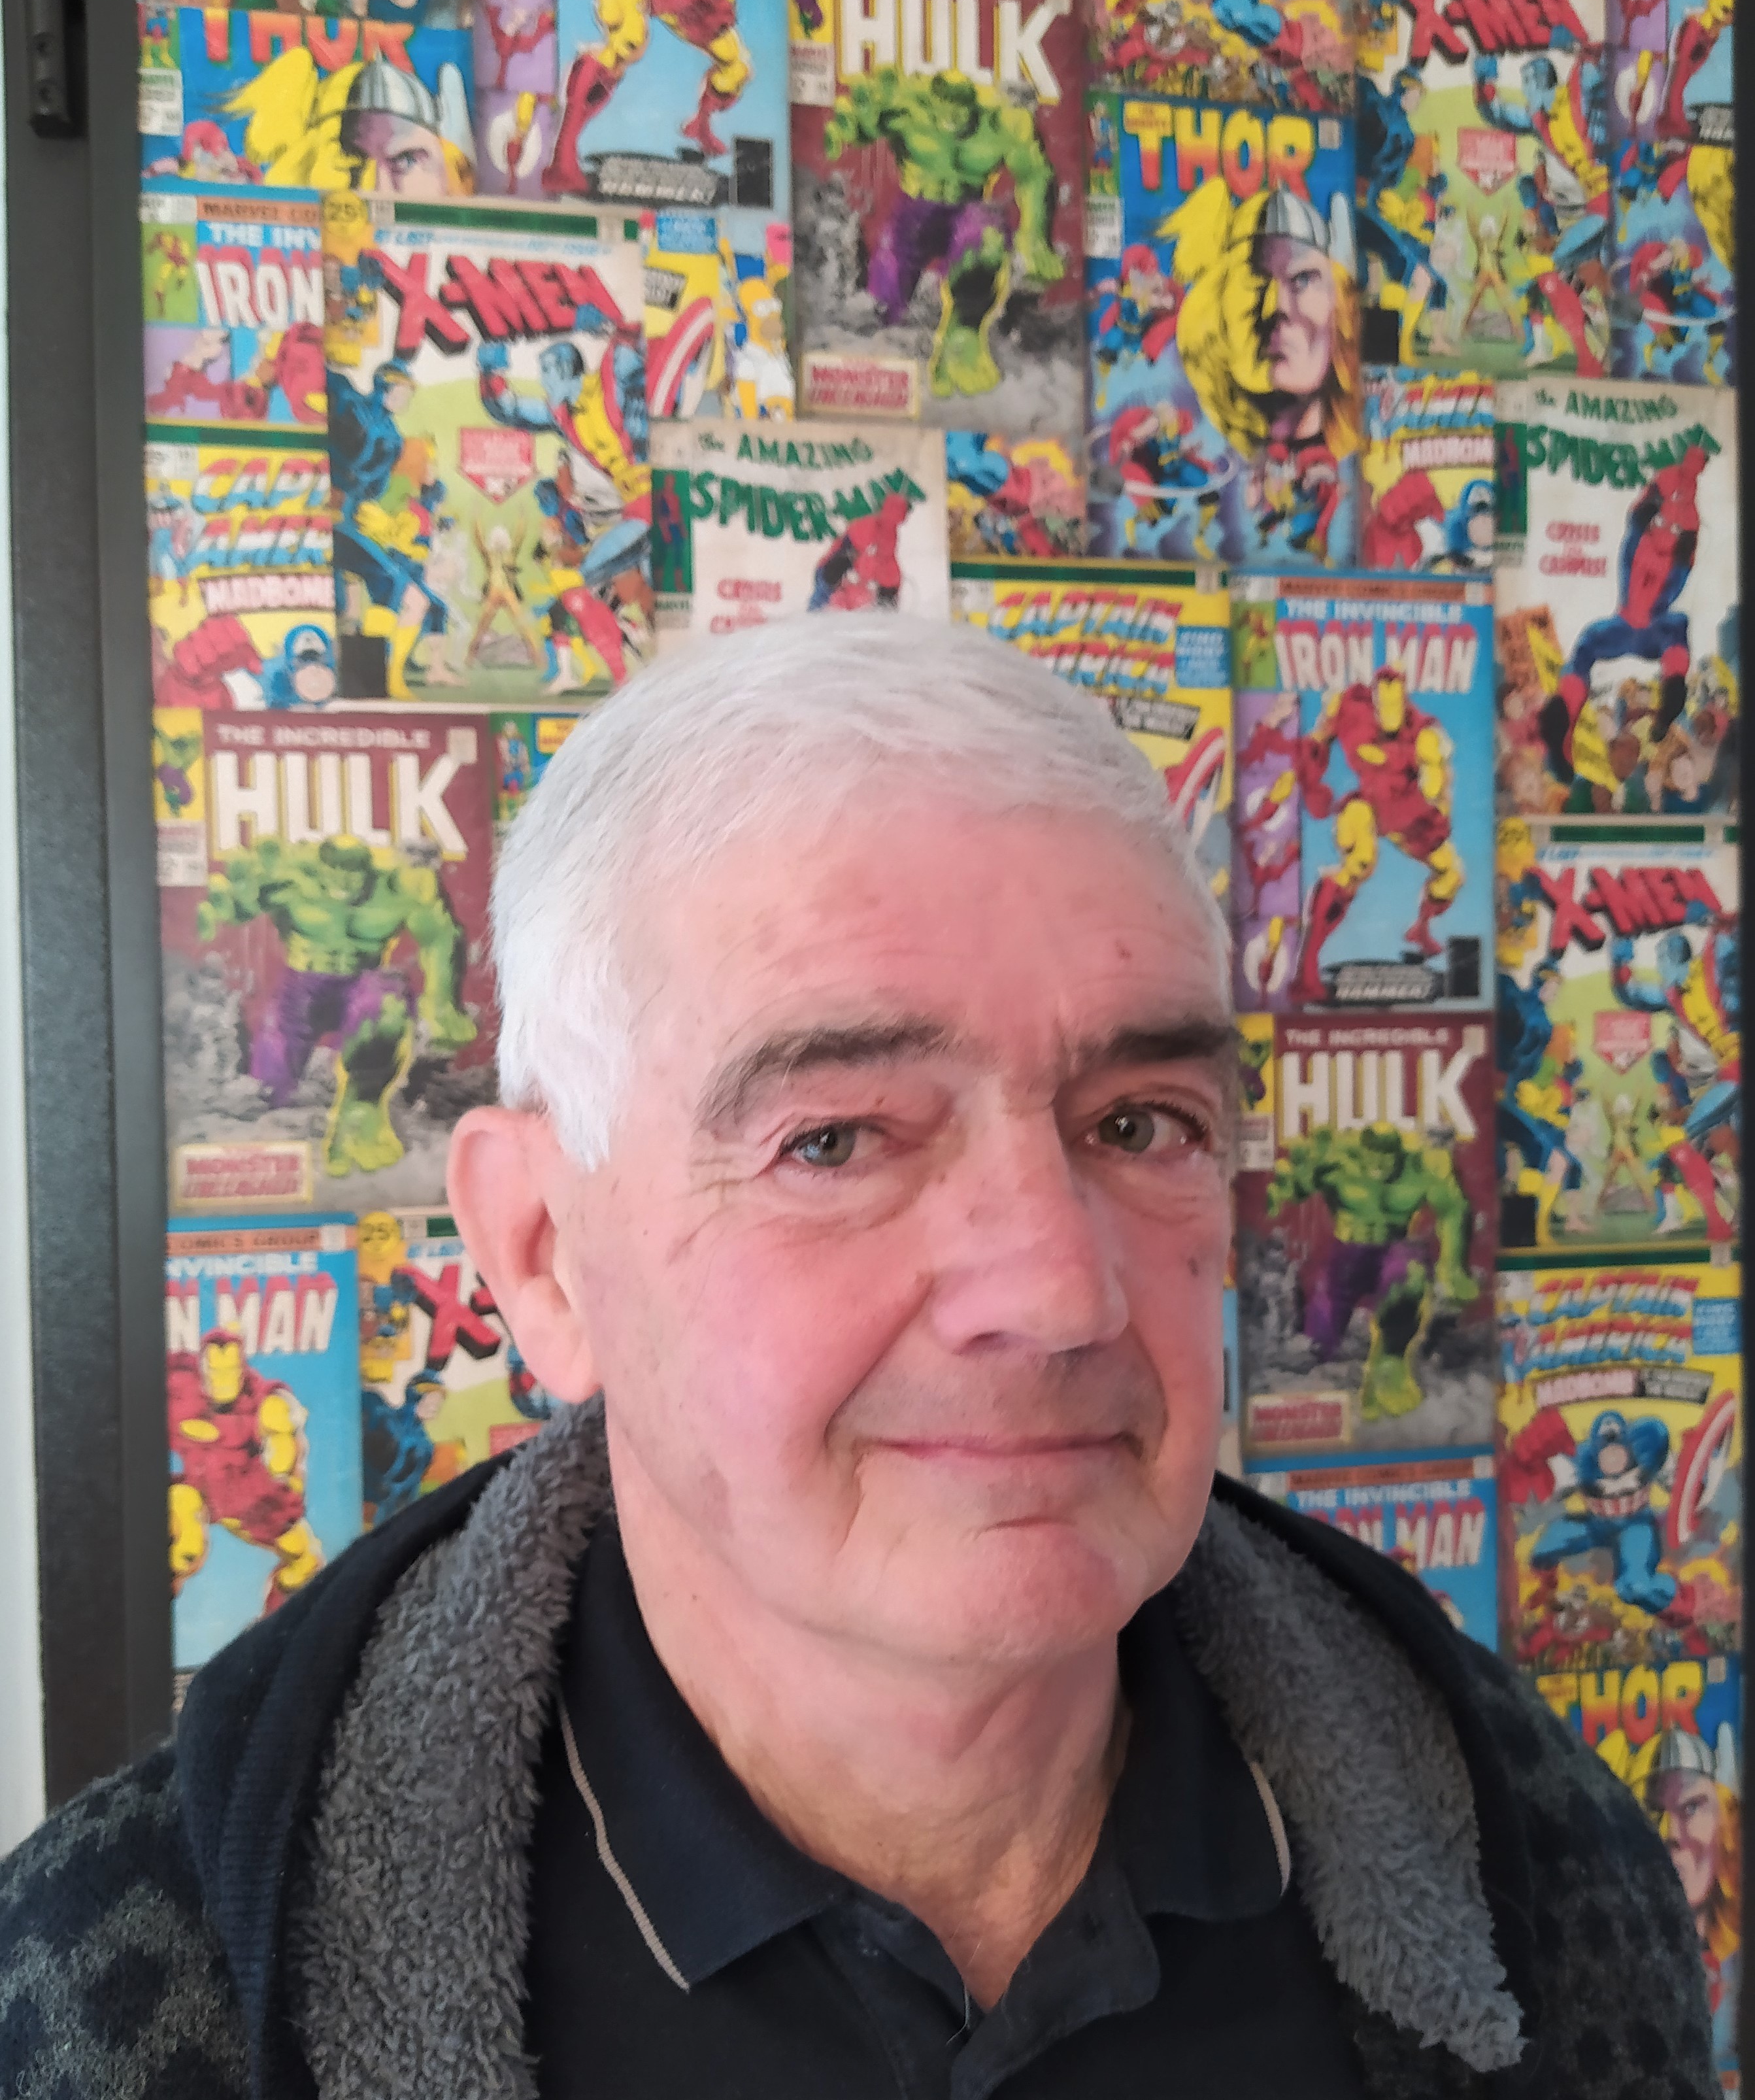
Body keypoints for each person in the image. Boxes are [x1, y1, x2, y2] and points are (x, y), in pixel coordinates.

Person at [0, 619, 1715, 2097]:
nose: (1058, 1290)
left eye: (1140, 1122)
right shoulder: (137, 1995)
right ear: (542, 1255)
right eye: (833, 1141)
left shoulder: (1535, 1866)